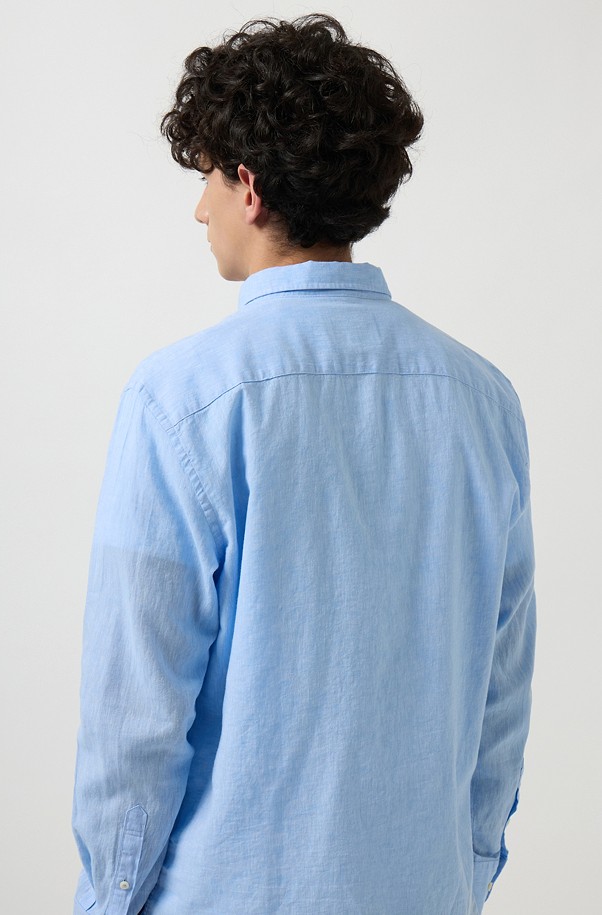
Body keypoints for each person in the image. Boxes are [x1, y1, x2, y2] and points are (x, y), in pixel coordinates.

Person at [70, 13, 537, 915]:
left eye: (206, 176)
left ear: (248, 186)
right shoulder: (483, 399)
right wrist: (466, 870)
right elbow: (500, 692)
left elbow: (136, 715)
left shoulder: (180, 399)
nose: (199, 208)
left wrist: (109, 901)